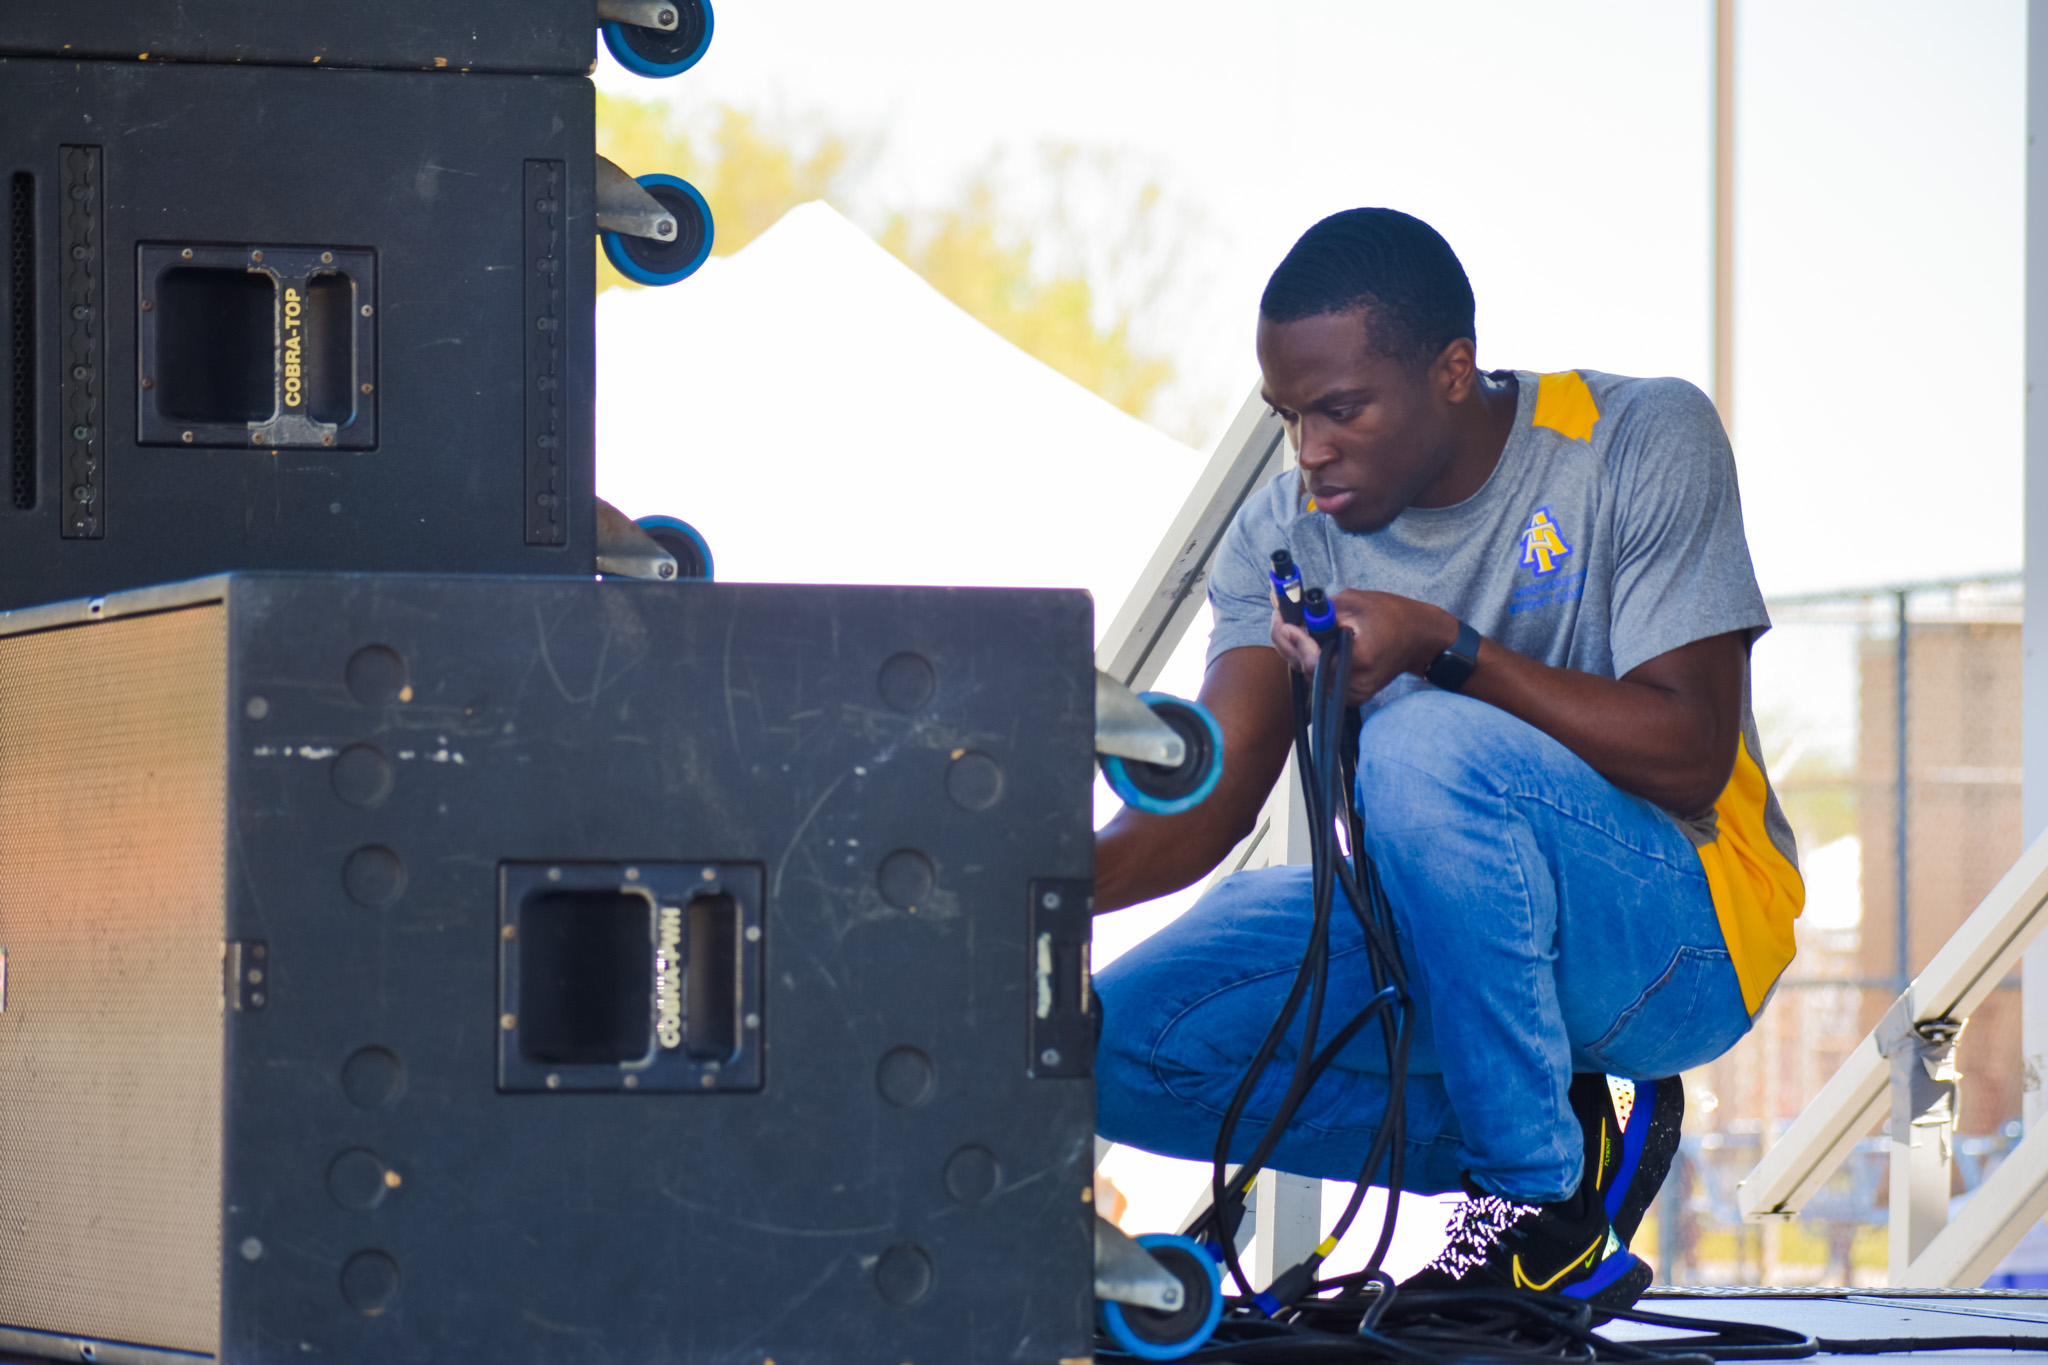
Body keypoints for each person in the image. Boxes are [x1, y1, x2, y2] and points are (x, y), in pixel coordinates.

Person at [1092, 208, 1803, 1307]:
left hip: (1684, 931)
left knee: (1421, 737)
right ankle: (1566, 1141)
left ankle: (1535, 1208)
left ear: (1452, 370)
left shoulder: (1636, 436)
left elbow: (1690, 756)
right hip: (1441, 935)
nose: (1308, 449)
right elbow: (1212, 798)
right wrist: (1025, 892)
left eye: (1339, 410)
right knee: (1107, 1046)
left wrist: (1443, 645)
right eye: (1288, 417)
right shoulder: (1282, 530)